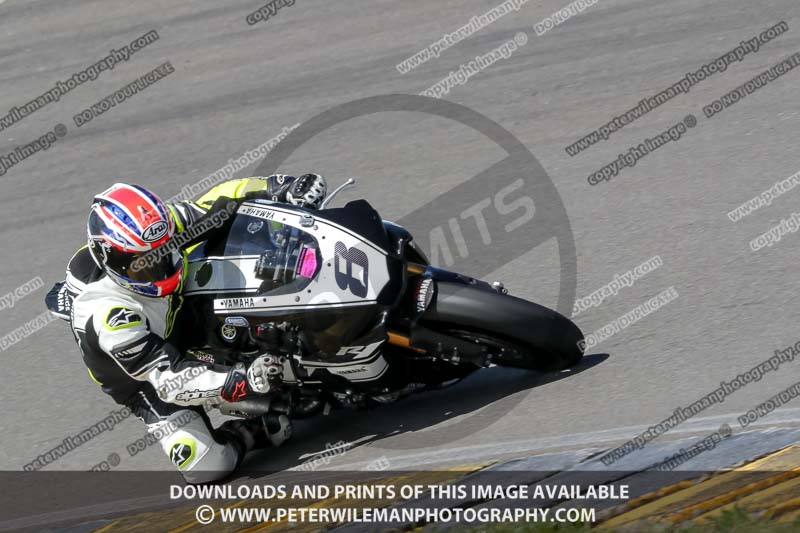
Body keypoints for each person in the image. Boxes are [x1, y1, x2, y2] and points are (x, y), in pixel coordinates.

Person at [46, 174, 327, 483]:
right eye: (142, 263)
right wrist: (241, 381)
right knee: (205, 465)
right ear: (107, 256)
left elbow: (220, 202)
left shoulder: (159, 231)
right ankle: (253, 428)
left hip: (178, 312)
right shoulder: (108, 315)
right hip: (146, 379)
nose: (158, 265)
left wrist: (281, 187)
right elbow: (169, 379)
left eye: (162, 251)